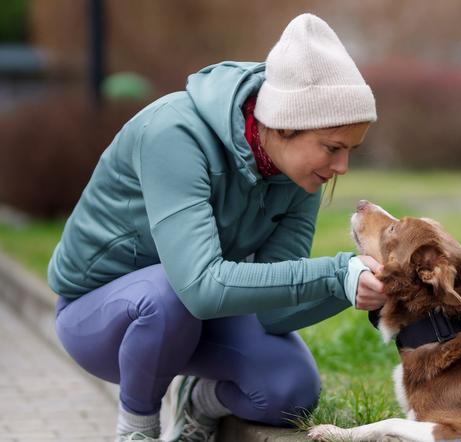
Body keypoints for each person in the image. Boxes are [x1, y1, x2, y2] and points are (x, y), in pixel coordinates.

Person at [47, 12, 385, 442]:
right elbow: (201, 286)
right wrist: (336, 272)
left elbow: (276, 310)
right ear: (283, 123)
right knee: (168, 296)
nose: (342, 167)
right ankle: (137, 428)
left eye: (351, 150)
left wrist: (349, 287)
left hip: (195, 313)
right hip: (101, 316)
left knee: (290, 389)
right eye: (333, 148)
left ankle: (199, 402)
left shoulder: (300, 174)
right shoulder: (174, 133)